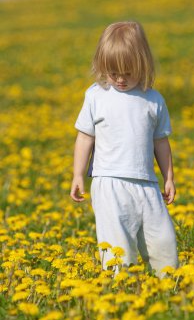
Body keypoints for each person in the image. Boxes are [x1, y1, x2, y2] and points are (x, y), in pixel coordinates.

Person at [70, 21, 178, 278]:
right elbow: (85, 137)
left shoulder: (153, 99)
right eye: (112, 72)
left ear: (142, 65)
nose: (119, 79)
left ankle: (171, 290)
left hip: (148, 185)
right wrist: (77, 174)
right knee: (118, 249)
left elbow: (160, 142)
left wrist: (169, 177)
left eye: (128, 72)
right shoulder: (96, 96)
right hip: (109, 183)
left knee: (164, 243)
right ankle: (121, 293)